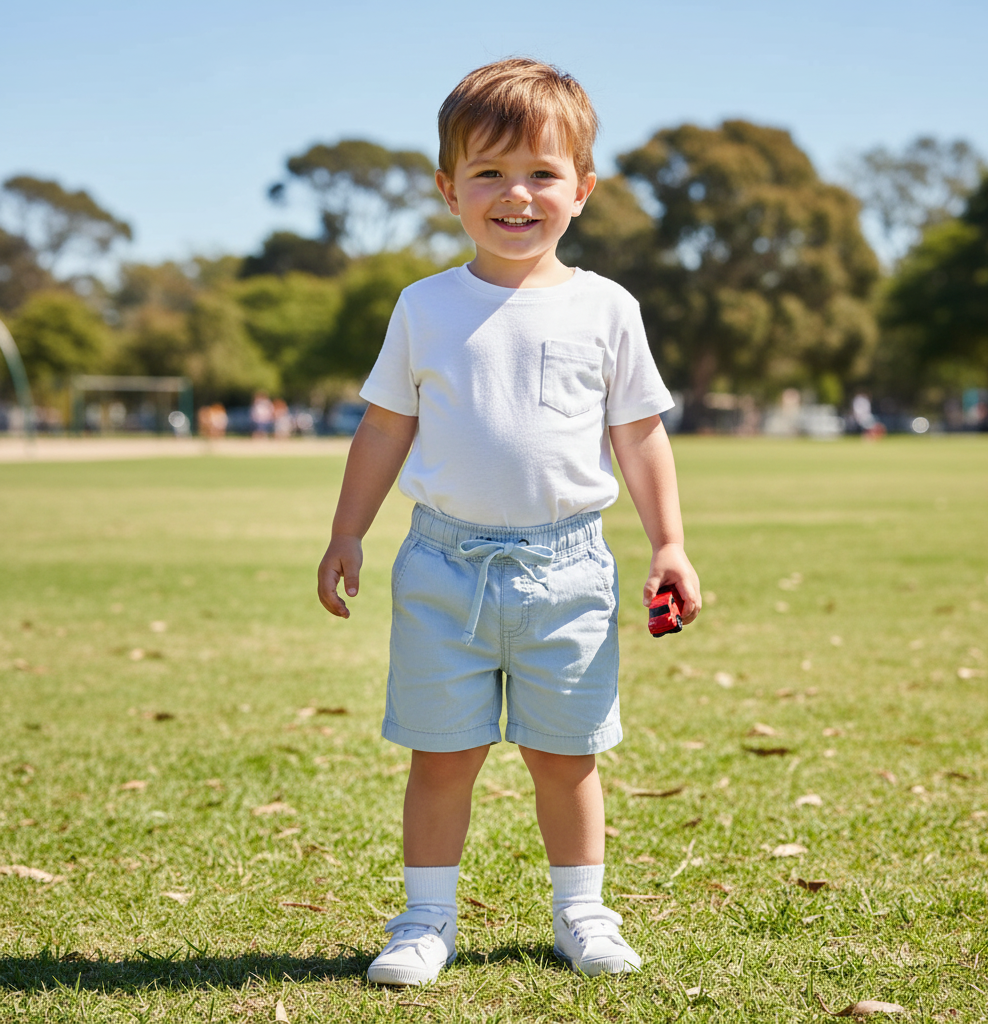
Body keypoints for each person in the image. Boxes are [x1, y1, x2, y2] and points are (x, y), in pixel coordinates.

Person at [317, 57, 701, 987]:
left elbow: (639, 434)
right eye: (487, 173)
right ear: (449, 189)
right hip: (443, 567)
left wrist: (670, 544)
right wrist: (347, 532)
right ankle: (425, 920)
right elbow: (383, 427)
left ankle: (583, 913)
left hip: (569, 570)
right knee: (442, 755)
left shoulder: (607, 309)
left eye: (540, 172)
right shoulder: (426, 306)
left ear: (583, 189)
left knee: (564, 758)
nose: (515, 194)